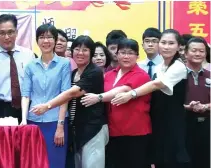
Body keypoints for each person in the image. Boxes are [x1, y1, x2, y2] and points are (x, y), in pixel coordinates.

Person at [112, 29, 190, 168]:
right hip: (157, 121)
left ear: (179, 47)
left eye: (171, 43)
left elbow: (156, 84)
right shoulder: (159, 67)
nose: (166, 46)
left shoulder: (179, 66)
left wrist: (131, 94)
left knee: (173, 159)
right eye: (163, 42)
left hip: (172, 122)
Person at [31, 35, 108, 168]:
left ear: (91, 53)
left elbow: (72, 93)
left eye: (85, 50)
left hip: (93, 128)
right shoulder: (74, 73)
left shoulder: (94, 72)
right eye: (77, 49)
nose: (80, 53)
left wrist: (47, 106)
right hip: (77, 128)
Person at [82, 39, 152, 168]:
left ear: (137, 56)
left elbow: (124, 89)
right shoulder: (108, 75)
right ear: (116, 54)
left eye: (130, 53)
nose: (126, 56)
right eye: (122, 52)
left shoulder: (142, 75)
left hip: (135, 133)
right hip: (112, 131)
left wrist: (98, 97)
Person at [21, 24, 71, 168]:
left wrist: (60, 126)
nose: (46, 41)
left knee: (54, 162)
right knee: (32, 162)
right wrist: (24, 120)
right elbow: (26, 94)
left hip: (56, 122)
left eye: (49, 37)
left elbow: (65, 95)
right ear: (37, 41)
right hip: (33, 122)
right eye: (42, 37)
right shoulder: (31, 65)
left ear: (55, 40)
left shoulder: (63, 64)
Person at [0, 14, 35, 123]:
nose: (7, 37)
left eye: (10, 32)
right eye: (2, 33)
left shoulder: (28, 54)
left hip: (27, 108)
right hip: (0, 108)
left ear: (16, 32)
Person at [183, 37, 210, 168]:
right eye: (194, 50)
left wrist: (206, 106)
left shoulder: (209, 75)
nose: (198, 54)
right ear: (185, 53)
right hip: (183, 127)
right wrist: (187, 107)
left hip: (206, 127)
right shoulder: (177, 74)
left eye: (202, 51)